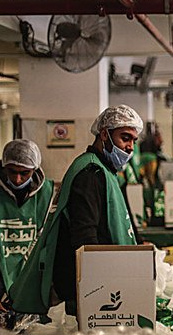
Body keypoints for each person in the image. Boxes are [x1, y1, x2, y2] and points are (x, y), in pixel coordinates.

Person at [9, 105, 144, 315]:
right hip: (82, 288)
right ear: (104, 135)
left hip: (101, 281)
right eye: (125, 138)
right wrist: (98, 290)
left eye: (133, 141)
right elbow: (85, 237)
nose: (130, 147)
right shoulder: (90, 173)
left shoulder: (105, 171)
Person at [0, 140, 54, 324]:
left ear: (35, 169)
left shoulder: (47, 193)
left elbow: (43, 239)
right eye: (12, 172)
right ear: (4, 165)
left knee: (29, 334)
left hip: (29, 275)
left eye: (25, 173)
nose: (17, 179)